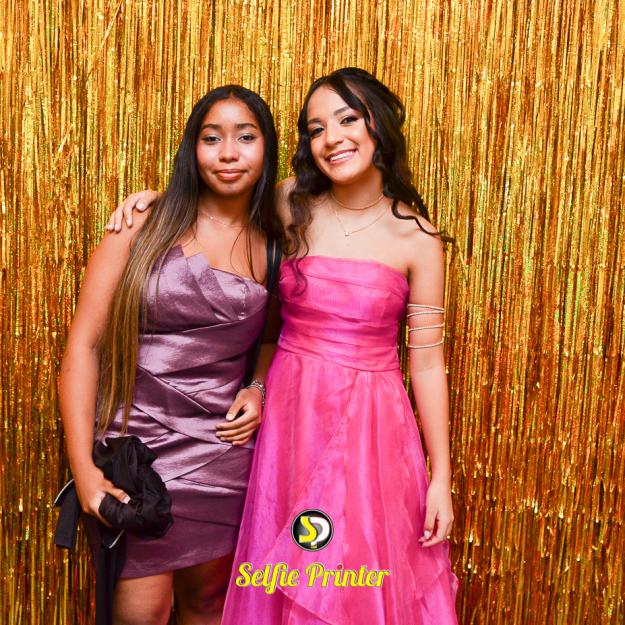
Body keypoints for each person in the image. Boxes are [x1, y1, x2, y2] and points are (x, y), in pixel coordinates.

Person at [109, 67, 458, 624]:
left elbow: (428, 364)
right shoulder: (290, 203)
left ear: (379, 124)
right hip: (288, 424)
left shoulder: (417, 238)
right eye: (316, 129)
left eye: (347, 119)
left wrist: (440, 477)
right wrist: (156, 203)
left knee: (347, 575)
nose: (332, 138)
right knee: (284, 570)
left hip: (370, 429)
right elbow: (215, 206)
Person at [59, 85, 282, 625]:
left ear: (267, 149)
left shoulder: (277, 241)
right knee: (142, 613)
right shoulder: (142, 225)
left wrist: (257, 387)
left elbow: (274, 337)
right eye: (212, 138)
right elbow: (83, 347)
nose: (228, 153)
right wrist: (83, 470)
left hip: (223, 455)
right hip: (140, 454)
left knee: (208, 606)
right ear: (192, 148)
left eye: (245, 137)